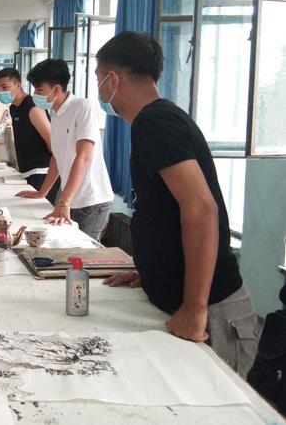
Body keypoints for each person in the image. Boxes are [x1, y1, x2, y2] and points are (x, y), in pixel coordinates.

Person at [97, 31, 257, 377]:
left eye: (98, 79)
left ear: (113, 79)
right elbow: (165, 211)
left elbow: (201, 208)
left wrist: (195, 307)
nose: (99, 91)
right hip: (183, 300)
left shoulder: (154, 122)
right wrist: (152, 273)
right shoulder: (156, 120)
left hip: (211, 312)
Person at [17, 59, 114, 241]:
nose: (35, 94)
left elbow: (83, 156)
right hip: (70, 197)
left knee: (81, 251)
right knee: (64, 245)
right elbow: (57, 156)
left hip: (91, 200)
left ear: (56, 89)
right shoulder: (55, 112)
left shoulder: (83, 107)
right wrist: (43, 192)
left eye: (39, 90)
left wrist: (64, 200)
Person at [0, 67, 57, 204]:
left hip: (41, 172)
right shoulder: (13, 108)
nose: (0, 91)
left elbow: (53, 145)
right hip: (26, 171)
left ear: (18, 85)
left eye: (5, 87)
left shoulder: (32, 107)